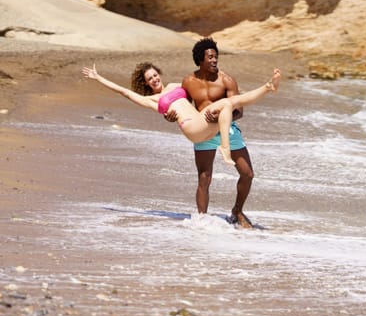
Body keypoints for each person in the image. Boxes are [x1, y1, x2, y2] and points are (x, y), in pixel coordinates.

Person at [82, 63, 281, 166]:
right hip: (191, 127)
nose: (154, 79)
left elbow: (199, 86)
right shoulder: (152, 100)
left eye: (155, 75)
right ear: (146, 83)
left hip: (202, 123)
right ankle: (225, 150)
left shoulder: (176, 86)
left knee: (230, 102)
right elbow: (124, 92)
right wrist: (98, 77)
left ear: (159, 74)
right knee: (227, 105)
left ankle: (268, 86)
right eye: (149, 79)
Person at [164, 37, 264, 228]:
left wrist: (221, 120)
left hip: (228, 129)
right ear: (200, 59)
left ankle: (237, 211)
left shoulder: (227, 80)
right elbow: (180, 107)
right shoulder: (188, 82)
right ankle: (201, 220)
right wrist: (170, 116)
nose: (214, 60)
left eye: (216, 57)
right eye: (210, 57)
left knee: (247, 173)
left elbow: (239, 111)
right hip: (204, 133)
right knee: (204, 177)